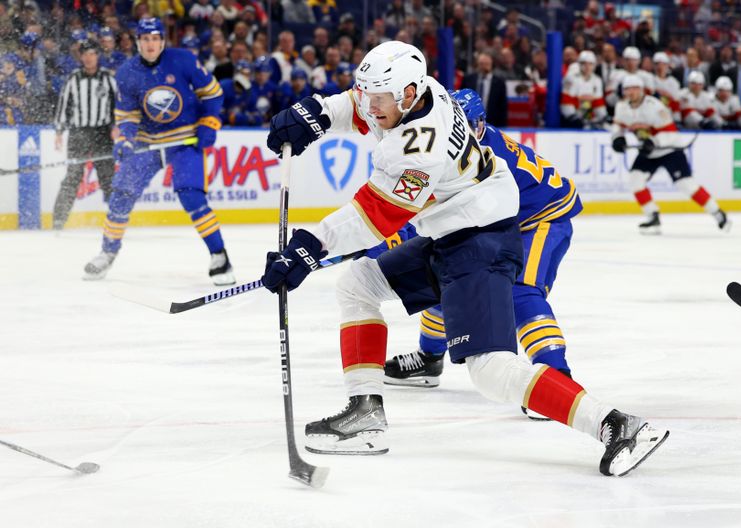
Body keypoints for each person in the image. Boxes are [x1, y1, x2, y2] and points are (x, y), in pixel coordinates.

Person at [262, 41, 668, 476]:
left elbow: (376, 215)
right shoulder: (414, 93)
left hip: (480, 242)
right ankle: (365, 415)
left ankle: (615, 424)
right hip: (454, 230)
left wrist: (309, 245)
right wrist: (318, 114)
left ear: (407, 94)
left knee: (490, 371)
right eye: (368, 93)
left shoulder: (421, 147)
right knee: (357, 284)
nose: (369, 104)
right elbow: (356, 107)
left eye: (379, 98)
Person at [382, 89, 580, 414]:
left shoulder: (487, 156)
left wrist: (387, 236)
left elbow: (422, 207)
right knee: (449, 276)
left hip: (543, 218)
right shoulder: (449, 145)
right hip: (502, 218)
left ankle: (557, 377)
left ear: (481, 124)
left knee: (521, 292)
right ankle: (430, 359)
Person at [83, 18, 235, 285]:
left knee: (191, 197)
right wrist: (125, 139)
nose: (150, 44)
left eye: (155, 38)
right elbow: (127, 113)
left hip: (184, 140)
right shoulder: (128, 72)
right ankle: (107, 253)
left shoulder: (184, 60)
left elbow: (212, 93)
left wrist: (209, 122)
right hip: (147, 142)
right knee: (121, 195)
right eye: (145, 39)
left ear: (163, 40)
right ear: (138, 42)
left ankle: (219, 255)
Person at [611, 75, 730, 234]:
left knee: (685, 185)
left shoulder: (655, 106)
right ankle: (652, 216)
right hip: (649, 152)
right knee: (635, 180)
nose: (630, 92)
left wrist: (654, 142)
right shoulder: (622, 107)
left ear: (641, 89)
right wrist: (618, 138)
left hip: (670, 149)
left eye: (634, 88)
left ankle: (718, 213)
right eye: (627, 89)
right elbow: (618, 127)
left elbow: (670, 133)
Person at [52, 40, 117, 230]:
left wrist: (117, 126)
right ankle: (59, 219)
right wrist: (59, 131)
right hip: (79, 133)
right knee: (73, 175)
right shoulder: (73, 79)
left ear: (97, 56)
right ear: (81, 57)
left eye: (92, 54)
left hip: (102, 133)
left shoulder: (108, 78)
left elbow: (118, 106)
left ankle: (117, 217)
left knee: (108, 177)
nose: (89, 58)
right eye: (85, 54)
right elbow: (64, 105)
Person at [560, 50, 606, 129]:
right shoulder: (571, 78)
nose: (587, 67)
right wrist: (573, 117)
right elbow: (566, 103)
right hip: (572, 117)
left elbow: (599, 103)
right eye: (584, 64)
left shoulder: (597, 80)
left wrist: (603, 116)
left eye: (590, 64)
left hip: (589, 116)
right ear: (579, 64)